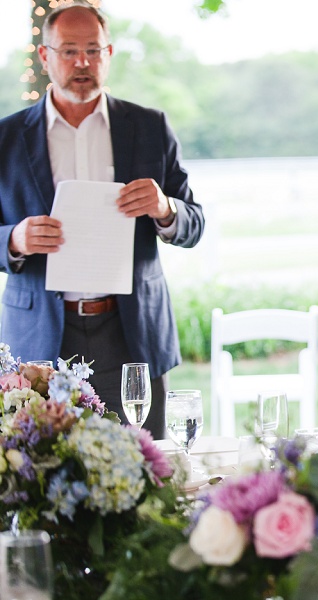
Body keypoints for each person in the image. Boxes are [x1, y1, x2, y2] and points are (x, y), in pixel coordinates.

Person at [0, 2, 205, 439]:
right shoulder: (6, 139)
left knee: (147, 475)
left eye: (93, 50)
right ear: (44, 56)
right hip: (40, 339)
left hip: (130, 332)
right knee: (43, 479)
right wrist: (14, 239)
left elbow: (195, 224)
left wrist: (165, 207)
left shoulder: (150, 128)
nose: (82, 62)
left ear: (109, 54)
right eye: (69, 50)